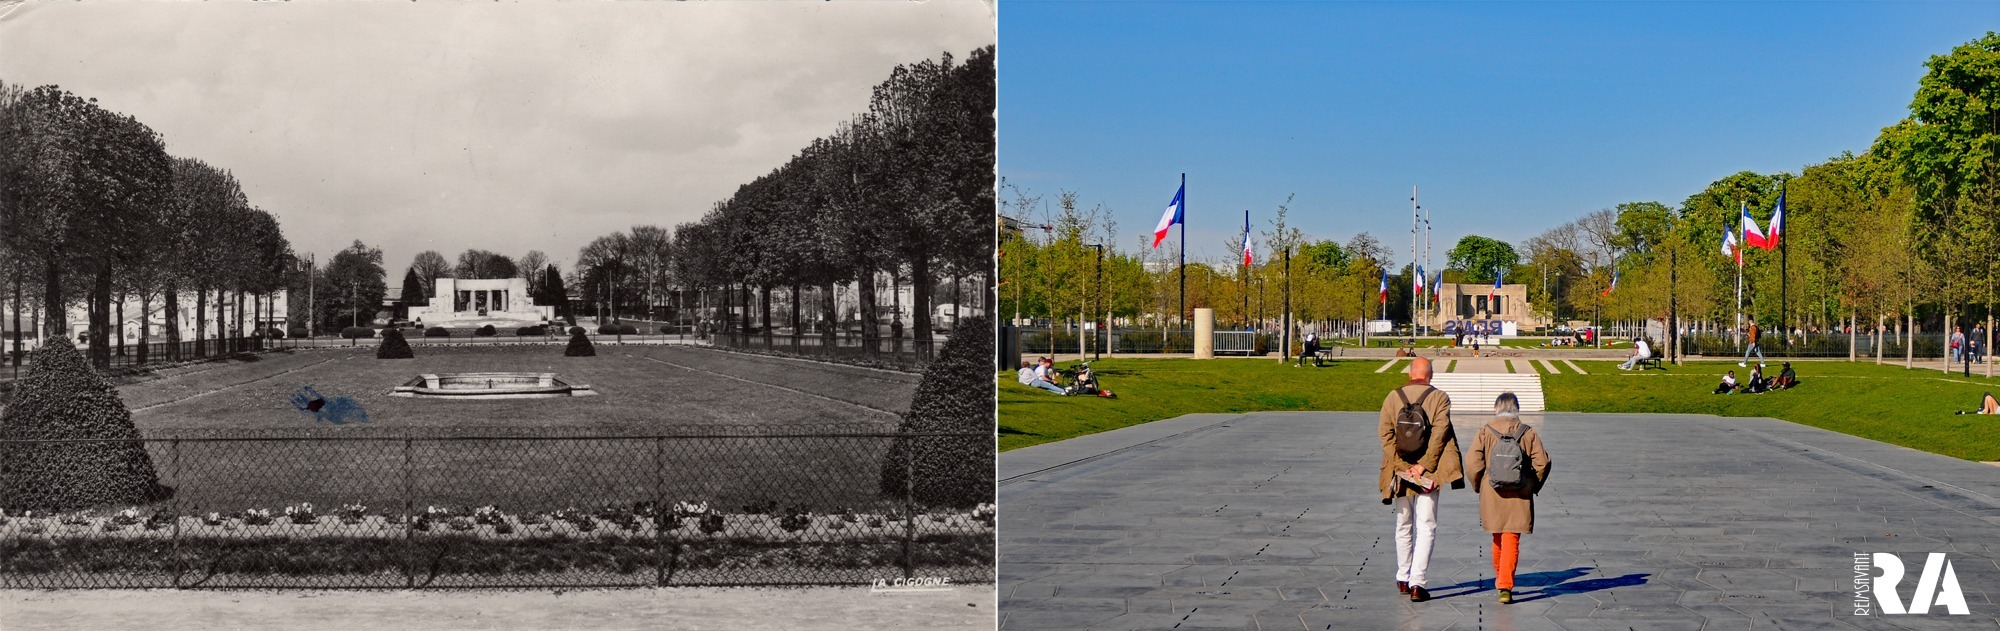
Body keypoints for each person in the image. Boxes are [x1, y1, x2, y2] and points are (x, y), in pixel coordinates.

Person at [1378, 357, 1463, 603]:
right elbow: (1440, 434)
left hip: (1400, 470)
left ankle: (1403, 576)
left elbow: (1385, 435)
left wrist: (1404, 467)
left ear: (1410, 373)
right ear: (1430, 376)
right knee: (1426, 526)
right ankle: (1418, 582)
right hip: (1430, 471)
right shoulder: (1440, 398)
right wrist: (1423, 466)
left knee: (1403, 524)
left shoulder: (1393, 397)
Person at [1465, 392, 1553, 605]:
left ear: (1496, 409)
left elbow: (1472, 462)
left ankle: (1501, 580)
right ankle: (1505, 585)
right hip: (1519, 493)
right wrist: (1532, 484)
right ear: (1517, 409)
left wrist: (1479, 485)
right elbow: (1543, 462)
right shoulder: (1528, 432)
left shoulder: (1485, 431)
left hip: (1492, 492)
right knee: (1511, 538)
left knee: (1497, 537)